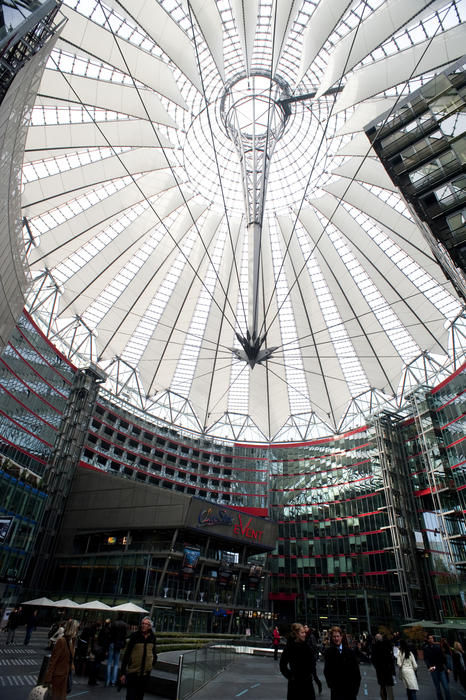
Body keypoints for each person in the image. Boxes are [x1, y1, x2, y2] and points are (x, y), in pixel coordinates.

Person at [120, 617, 157, 700]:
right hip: (133, 672)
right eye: (143, 623)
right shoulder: (135, 636)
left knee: (140, 696)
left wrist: (151, 665)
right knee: (130, 696)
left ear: (150, 626)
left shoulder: (152, 637)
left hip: (145, 674)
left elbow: (154, 653)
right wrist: (122, 672)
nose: (144, 625)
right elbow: (127, 654)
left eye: (146, 624)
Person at [279, 622, 316, 700]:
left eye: (304, 632)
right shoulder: (290, 647)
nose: (304, 634)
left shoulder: (306, 646)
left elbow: (312, 662)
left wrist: (310, 673)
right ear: (296, 634)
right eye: (302, 633)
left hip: (307, 683)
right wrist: (291, 676)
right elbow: (282, 664)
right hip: (295, 684)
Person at [44, 618, 79, 700]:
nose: (77, 631)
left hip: (64, 677)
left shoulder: (70, 641)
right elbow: (53, 660)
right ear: (73, 629)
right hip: (58, 678)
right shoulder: (61, 641)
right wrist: (48, 678)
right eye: (76, 629)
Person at [323, 625, 361, 700]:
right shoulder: (328, 652)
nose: (336, 638)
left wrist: (355, 690)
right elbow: (327, 671)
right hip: (336, 691)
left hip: (350, 691)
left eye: (337, 636)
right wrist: (331, 685)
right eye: (334, 636)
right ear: (331, 637)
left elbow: (356, 672)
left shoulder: (350, 652)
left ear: (341, 637)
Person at [423, 634, 452, 700]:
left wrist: (448, 667)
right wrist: (429, 667)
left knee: (446, 687)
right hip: (433, 670)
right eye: (430, 638)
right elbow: (426, 659)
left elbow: (443, 657)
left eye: (432, 638)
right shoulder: (426, 648)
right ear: (427, 640)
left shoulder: (437, 647)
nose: (431, 639)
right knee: (438, 688)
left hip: (441, 669)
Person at [371, 632, 395, 700]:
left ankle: (385, 698)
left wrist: (377, 667)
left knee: (383, 687)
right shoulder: (386, 645)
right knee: (389, 687)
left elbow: (373, 659)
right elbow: (390, 657)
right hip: (387, 669)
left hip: (381, 670)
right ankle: (390, 698)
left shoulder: (375, 646)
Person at [107, 613, 128, 686]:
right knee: (116, 664)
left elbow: (109, 634)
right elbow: (125, 636)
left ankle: (107, 681)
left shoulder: (113, 623)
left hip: (112, 643)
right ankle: (113, 682)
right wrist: (123, 645)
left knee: (109, 663)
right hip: (119, 645)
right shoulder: (125, 625)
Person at [304, 624, 323, 693]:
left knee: (314, 675)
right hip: (307, 658)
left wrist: (308, 649)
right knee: (307, 674)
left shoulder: (311, 636)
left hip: (311, 658)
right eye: (304, 627)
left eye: (305, 627)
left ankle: (319, 684)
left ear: (308, 628)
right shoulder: (305, 636)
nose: (304, 628)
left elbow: (314, 647)